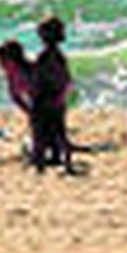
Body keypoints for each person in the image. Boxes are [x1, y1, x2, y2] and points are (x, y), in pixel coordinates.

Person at [29, 17, 75, 173]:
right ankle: (66, 161)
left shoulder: (43, 56)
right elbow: (67, 78)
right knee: (60, 131)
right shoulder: (60, 57)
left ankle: (39, 163)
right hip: (57, 99)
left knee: (40, 132)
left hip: (44, 98)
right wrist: (62, 95)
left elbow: (38, 78)